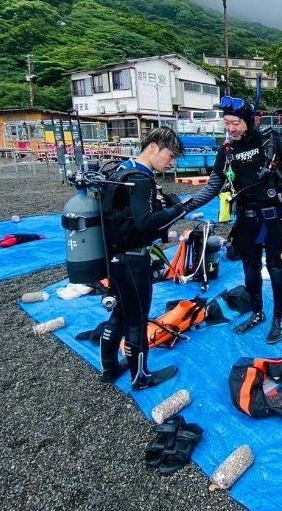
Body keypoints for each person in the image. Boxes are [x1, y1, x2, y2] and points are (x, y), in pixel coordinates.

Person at [183, 96, 282, 344]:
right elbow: (213, 185)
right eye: (227, 123)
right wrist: (184, 207)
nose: (231, 129)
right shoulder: (226, 151)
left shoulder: (271, 140)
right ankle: (257, 313)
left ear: (248, 121)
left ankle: (278, 320)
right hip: (246, 219)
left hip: (274, 219)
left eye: (236, 123)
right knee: (250, 269)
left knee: (276, 270)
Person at [99, 127, 193, 389]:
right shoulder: (140, 180)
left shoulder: (120, 171)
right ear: (152, 147)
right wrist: (179, 209)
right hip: (133, 260)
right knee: (137, 319)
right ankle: (140, 377)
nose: (172, 162)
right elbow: (145, 223)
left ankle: (109, 369)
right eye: (170, 156)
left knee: (119, 313)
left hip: (114, 257)